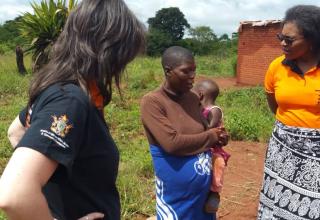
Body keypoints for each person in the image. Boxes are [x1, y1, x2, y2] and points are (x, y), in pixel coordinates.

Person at [0, 0, 145, 219]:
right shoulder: (70, 100)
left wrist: (53, 184)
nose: (122, 65)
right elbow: (14, 195)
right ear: (106, 49)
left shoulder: (60, 87)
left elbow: (16, 131)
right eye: (122, 54)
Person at [140, 46, 229, 220]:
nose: (192, 77)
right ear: (168, 71)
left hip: (201, 197)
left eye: (194, 71)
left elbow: (206, 130)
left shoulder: (193, 98)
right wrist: (212, 136)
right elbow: (172, 143)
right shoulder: (153, 102)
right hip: (175, 200)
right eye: (186, 71)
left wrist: (220, 137)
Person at [257, 5, 320, 220]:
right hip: (282, 150)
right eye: (280, 37)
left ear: (311, 40)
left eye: (290, 40)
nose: (283, 43)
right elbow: (274, 104)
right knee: (277, 201)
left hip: (316, 154)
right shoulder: (277, 67)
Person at [193, 79, 231, 213]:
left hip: (214, 148)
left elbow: (210, 128)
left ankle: (215, 193)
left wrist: (197, 111)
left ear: (200, 94)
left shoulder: (214, 110)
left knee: (218, 165)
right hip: (203, 146)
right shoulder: (200, 109)